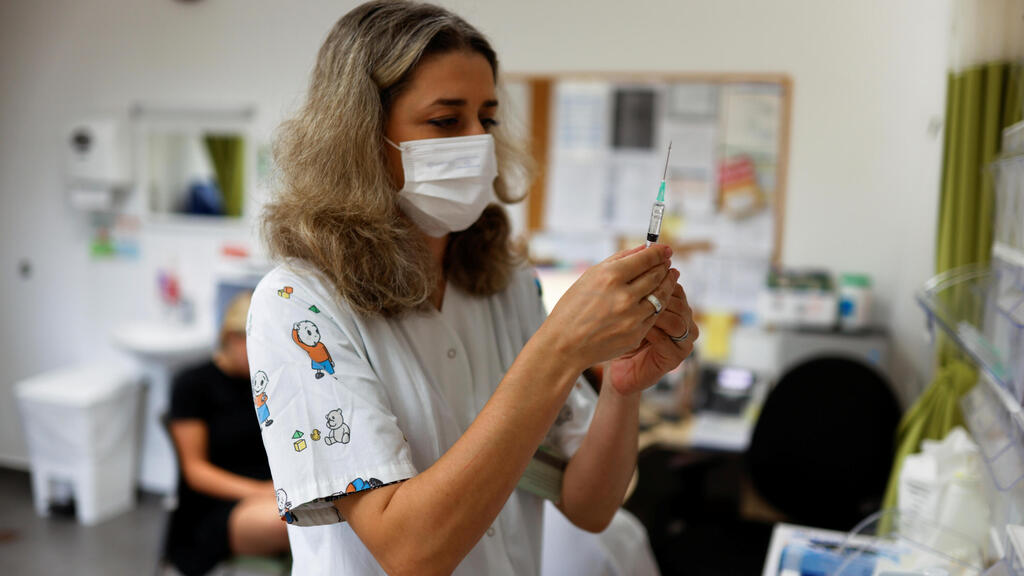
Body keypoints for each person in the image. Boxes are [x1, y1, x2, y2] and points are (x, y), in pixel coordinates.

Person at [246, 2, 698, 575]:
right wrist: (559, 350)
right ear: (359, 137)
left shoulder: (504, 284)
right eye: (444, 120)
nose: (476, 141)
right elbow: (411, 552)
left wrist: (623, 388)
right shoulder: (298, 305)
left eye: (486, 118)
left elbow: (590, 507)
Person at [166, 292, 289, 576]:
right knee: (296, 519)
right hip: (216, 505)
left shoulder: (264, 383)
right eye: (259, 345)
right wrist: (262, 492)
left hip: (268, 490)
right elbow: (195, 471)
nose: (266, 356)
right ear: (233, 338)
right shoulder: (193, 384)